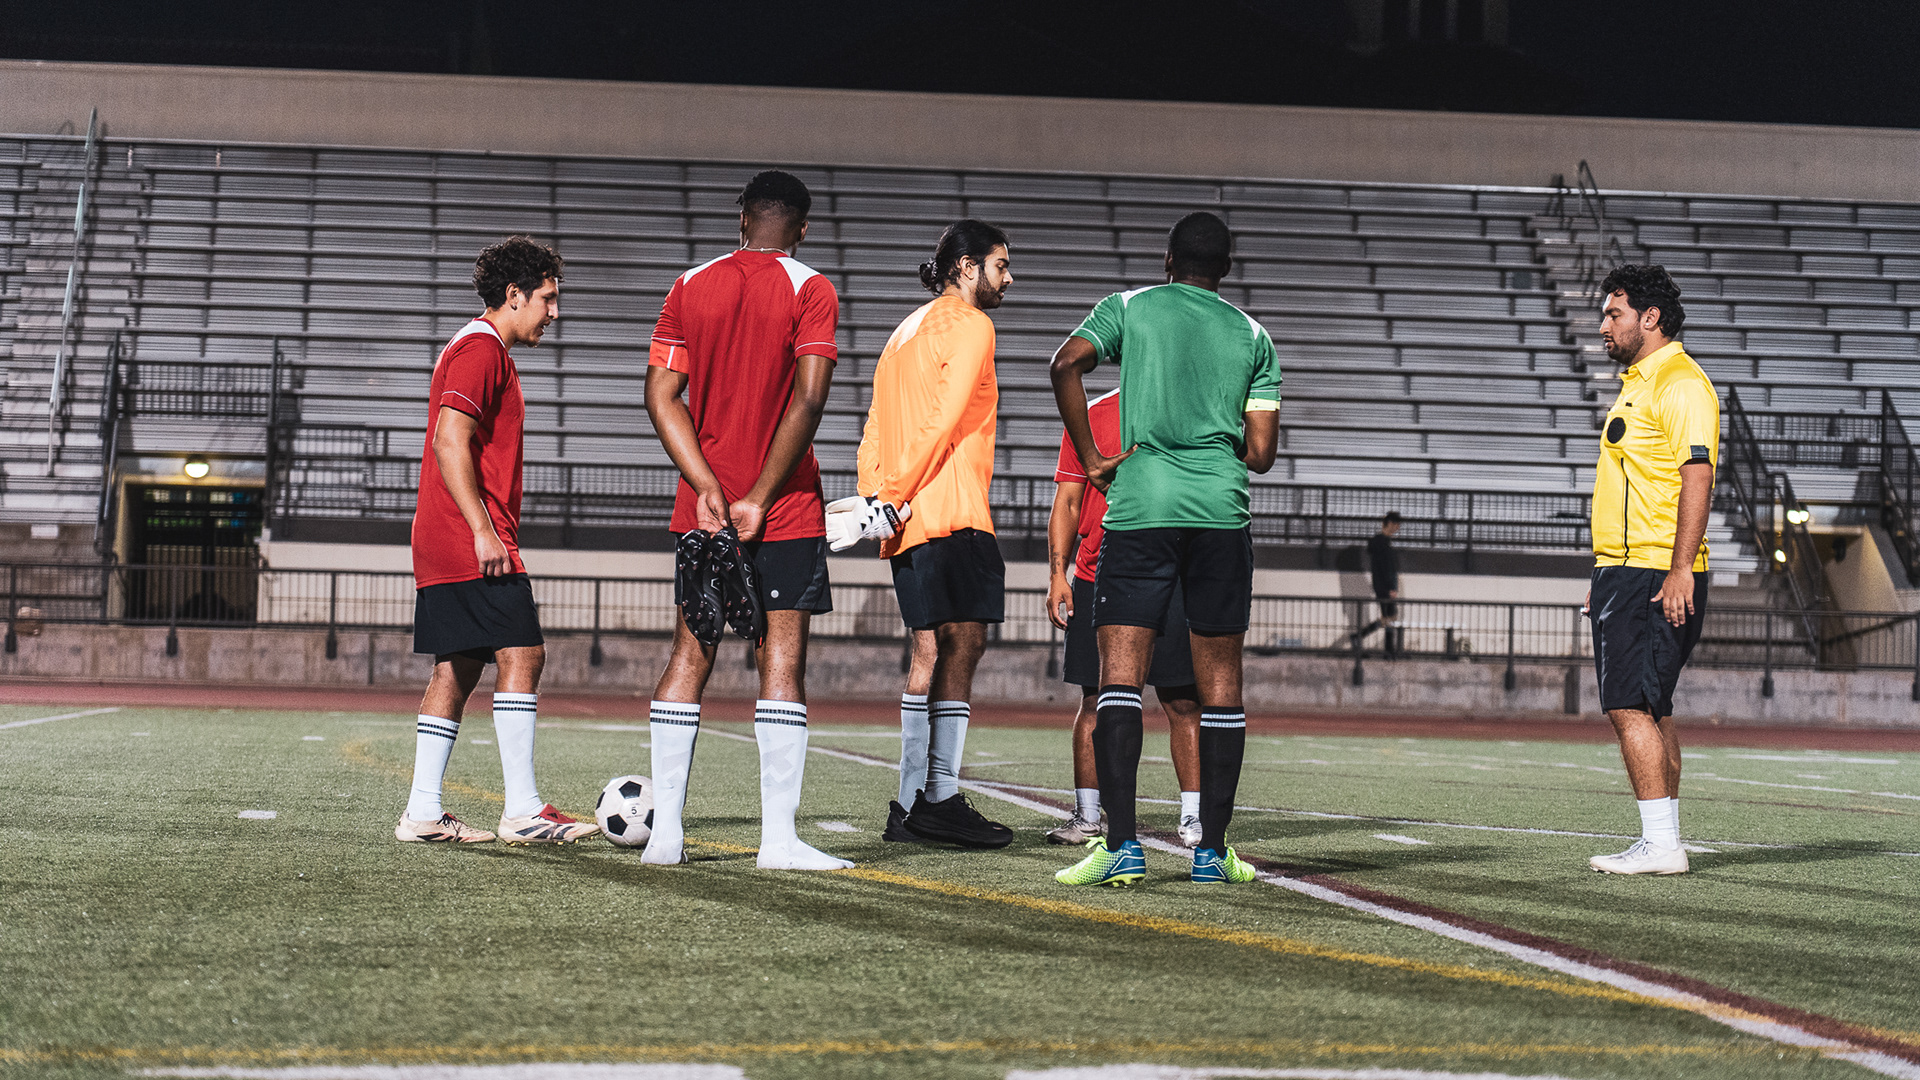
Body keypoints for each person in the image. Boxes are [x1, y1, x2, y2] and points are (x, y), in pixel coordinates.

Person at [1049, 211, 1280, 887]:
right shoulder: (1253, 334)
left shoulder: (1129, 307)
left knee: (1119, 678)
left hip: (1141, 509)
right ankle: (1212, 852)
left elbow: (1064, 364)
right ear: (1226, 269)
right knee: (1220, 686)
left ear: (1167, 259)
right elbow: (1261, 453)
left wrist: (1093, 456)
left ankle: (1122, 847)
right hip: (1220, 514)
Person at [640, 170, 851, 871]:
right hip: (784, 507)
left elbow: (660, 395)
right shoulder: (812, 288)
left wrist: (707, 484)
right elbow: (810, 397)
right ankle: (777, 842)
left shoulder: (688, 284)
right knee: (781, 663)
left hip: (700, 509)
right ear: (803, 228)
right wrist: (759, 494)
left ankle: (665, 838)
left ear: (742, 219)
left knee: (688, 654)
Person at [397, 236, 599, 846]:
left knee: (458, 666)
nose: (555, 312)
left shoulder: (479, 347)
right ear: (514, 295)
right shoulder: (482, 349)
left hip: (447, 533)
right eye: (547, 298)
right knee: (523, 654)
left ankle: (423, 813)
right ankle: (523, 810)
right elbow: (448, 440)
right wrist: (484, 530)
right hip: (469, 535)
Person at [855, 219, 1016, 849]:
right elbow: (945, 419)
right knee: (963, 644)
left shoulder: (902, 331)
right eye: (1001, 265)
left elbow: (873, 427)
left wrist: (879, 500)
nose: (1008, 278)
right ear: (967, 267)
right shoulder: (971, 325)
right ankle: (940, 799)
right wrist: (892, 495)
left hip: (906, 523)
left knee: (928, 653)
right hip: (952, 512)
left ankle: (907, 804)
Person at [1586, 265, 1715, 876]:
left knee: (1629, 704)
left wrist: (1679, 568)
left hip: (1653, 569)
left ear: (1650, 317)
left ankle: (1662, 844)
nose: (1603, 326)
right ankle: (1664, 838)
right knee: (1653, 706)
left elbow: (1698, 476)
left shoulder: (1679, 382)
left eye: (1614, 314)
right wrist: (1604, 574)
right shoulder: (1641, 382)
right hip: (1628, 570)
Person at [1046, 388, 1204, 847]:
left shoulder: (1187, 406)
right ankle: (1087, 816)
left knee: (1182, 701)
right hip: (1096, 574)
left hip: (1172, 574)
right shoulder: (1092, 413)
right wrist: (1057, 574)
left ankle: (1194, 818)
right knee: (1094, 700)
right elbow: (1068, 500)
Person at [1350, 511, 1403, 655]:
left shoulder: (1380, 542)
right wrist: (1391, 587)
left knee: (1389, 616)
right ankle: (1384, 648)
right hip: (1385, 586)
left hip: (1380, 585)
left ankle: (1386, 648)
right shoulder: (1383, 543)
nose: (1398, 528)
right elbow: (1386, 568)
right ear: (1390, 523)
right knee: (1389, 616)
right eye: (1397, 524)